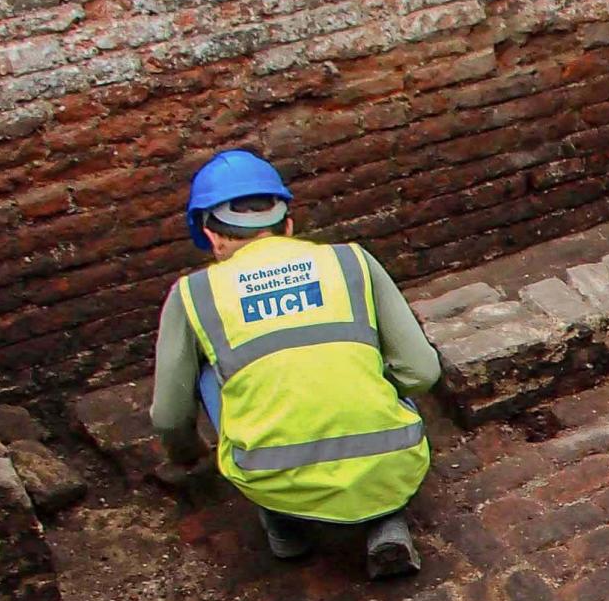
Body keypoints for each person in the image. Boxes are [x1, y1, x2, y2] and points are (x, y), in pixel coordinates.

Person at [150, 150, 440, 579]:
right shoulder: (351, 261)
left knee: (213, 369)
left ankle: (284, 525)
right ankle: (386, 521)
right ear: (288, 225)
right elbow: (423, 371)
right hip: (391, 456)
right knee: (363, 356)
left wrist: (190, 457)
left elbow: (170, 415)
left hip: (270, 473)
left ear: (211, 237)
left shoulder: (194, 293)